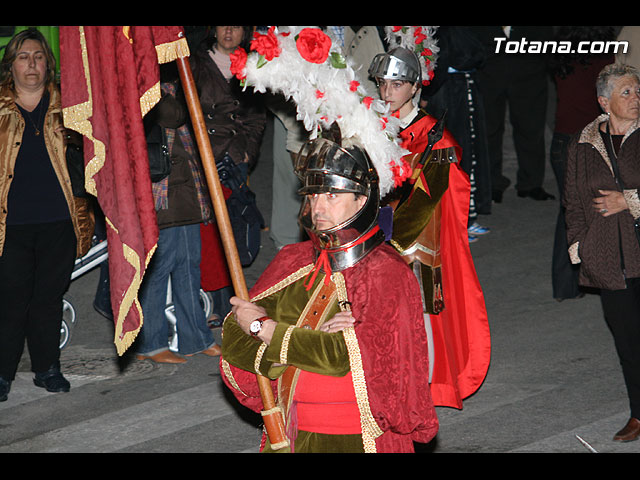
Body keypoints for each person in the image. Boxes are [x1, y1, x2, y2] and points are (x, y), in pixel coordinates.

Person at [220, 134, 439, 452]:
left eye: (332, 196)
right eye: (312, 196)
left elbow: (340, 356)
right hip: (289, 435)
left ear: (361, 200)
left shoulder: (386, 273)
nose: (317, 207)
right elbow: (232, 336)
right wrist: (300, 341)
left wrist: (264, 329)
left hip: (356, 441)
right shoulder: (292, 260)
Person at [368, 43, 491, 408]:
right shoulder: (373, 129)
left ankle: (421, 391)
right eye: (382, 84)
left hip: (416, 249)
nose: (387, 93)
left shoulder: (437, 141)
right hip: (377, 241)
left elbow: (426, 204)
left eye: (396, 85)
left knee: (420, 326)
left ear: (414, 88)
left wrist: (385, 240)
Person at [0, 28, 94, 401]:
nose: (32, 64)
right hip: (11, 225)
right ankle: (3, 373)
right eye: (23, 57)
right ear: (11, 66)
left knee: (48, 298)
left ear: (48, 63)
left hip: (60, 220)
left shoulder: (69, 107)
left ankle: (46, 368)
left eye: (38, 56)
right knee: (10, 299)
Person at [564, 63, 640, 442]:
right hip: (610, 259)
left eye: (638, 91)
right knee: (627, 342)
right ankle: (638, 414)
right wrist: (580, 246)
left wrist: (630, 201)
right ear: (603, 101)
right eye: (626, 92)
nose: (636, 99)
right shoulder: (583, 142)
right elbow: (573, 202)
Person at [135, 68, 220, 364]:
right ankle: (151, 343)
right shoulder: (151, 89)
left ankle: (194, 338)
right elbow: (172, 115)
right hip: (163, 197)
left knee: (188, 269)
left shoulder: (173, 85)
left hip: (185, 198)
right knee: (159, 272)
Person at [190, 26, 266, 323]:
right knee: (208, 233)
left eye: (236, 25)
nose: (229, 31)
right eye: (223, 24)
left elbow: (256, 116)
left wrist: (248, 150)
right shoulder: (196, 63)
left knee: (231, 229)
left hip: (235, 157)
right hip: (206, 156)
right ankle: (213, 299)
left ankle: (231, 301)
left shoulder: (252, 64)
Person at [548, 26, 616, 301]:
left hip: (562, 141)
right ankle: (604, 282)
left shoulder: (560, 55)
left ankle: (566, 285)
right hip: (590, 145)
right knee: (602, 212)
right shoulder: (605, 61)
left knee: (569, 212)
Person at [420, 26, 493, 243]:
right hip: (465, 90)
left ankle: (463, 221)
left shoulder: (446, 31)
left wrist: (427, 92)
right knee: (462, 155)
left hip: (451, 94)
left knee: (457, 156)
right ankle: (464, 220)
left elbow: (441, 64)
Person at [469, 26, 555, 203]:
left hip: (530, 73)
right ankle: (492, 183)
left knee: (532, 128)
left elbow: (546, 37)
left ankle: (531, 183)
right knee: (488, 130)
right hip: (488, 72)